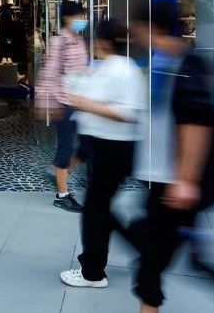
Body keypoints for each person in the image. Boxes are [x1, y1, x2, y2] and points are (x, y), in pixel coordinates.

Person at [127, 0, 214, 313]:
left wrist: (186, 179)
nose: (134, 33)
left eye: (137, 27)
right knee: (186, 255)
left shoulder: (185, 66)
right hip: (161, 177)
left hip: (172, 182)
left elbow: (196, 124)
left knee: (151, 264)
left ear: (150, 27)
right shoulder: (164, 61)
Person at [59, 18, 146, 289]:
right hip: (103, 147)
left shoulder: (123, 70)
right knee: (100, 208)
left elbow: (126, 113)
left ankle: (93, 272)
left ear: (105, 42)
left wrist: (85, 104)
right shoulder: (107, 67)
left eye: (95, 39)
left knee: (95, 211)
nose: (92, 44)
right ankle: (142, 248)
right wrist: (81, 153)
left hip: (114, 149)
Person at [36, 0, 92, 212]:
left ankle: (58, 172)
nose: (82, 20)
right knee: (66, 148)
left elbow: (82, 69)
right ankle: (61, 195)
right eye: (79, 16)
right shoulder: (59, 41)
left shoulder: (78, 40)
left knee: (86, 145)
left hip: (81, 102)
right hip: (64, 103)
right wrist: (47, 103)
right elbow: (49, 73)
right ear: (68, 18)